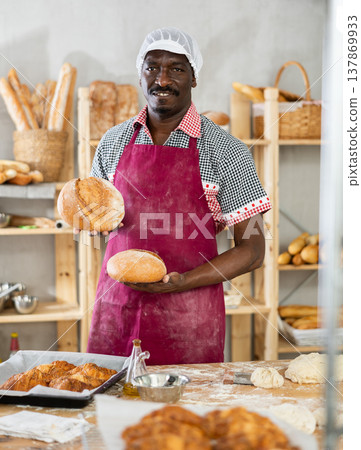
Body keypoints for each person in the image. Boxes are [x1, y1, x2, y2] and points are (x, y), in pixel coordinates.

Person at [87, 27, 271, 365]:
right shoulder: (111, 143)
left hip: (189, 322)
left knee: (185, 416)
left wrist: (182, 281)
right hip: (117, 315)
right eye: (152, 67)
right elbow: (96, 221)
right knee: (110, 415)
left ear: (194, 77)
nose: (163, 78)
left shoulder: (226, 151)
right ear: (140, 75)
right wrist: (88, 222)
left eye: (176, 68)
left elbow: (253, 250)